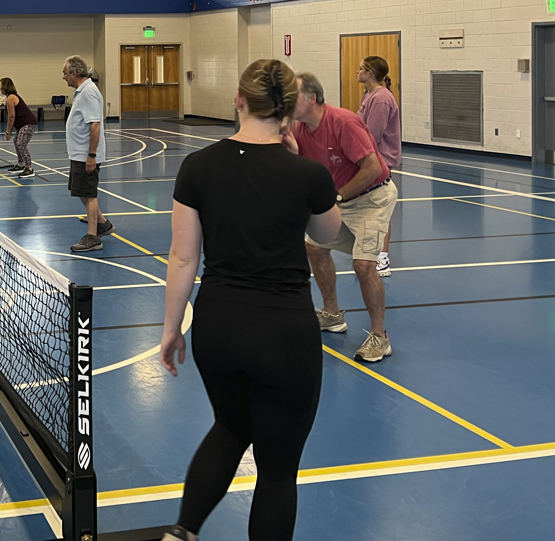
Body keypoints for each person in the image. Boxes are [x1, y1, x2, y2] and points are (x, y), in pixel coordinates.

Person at [159, 60, 341, 541]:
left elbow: (182, 259)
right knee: (278, 470)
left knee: (231, 427)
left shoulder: (197, 167)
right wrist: (301, 164)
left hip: (218, 329)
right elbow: (327, 233)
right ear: (287, 111)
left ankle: (182, 532)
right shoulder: (308, 174)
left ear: (239, 100)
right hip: (284, 337)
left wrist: (171, 328)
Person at [282, 72, 398, 363]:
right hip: (342, 199)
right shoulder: (299, 130)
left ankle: (380, 337)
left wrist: (334, 199)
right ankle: (332, 315)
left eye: (292, 96)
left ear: (311, 98)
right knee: (315, 246)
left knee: (363, 264)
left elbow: (371, 168)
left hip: (372, 197)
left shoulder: (343, 122)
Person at [356, 56, 401, 277]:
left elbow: (372, 134)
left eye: (361, 68)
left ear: (371, 73)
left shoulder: (382, 98)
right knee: (366, 208)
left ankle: (382, 258)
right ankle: (370, 252)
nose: (358, 71)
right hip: (369, 160)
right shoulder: (370, 95)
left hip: (378, 161)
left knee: (380, 210)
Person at [63, 55, 112, 252]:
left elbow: (95, 125)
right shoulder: (81, 91)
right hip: (78, 153)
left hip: (86, 154)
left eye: (65, 73)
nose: (64, 77)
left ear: (74, 73)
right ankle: (102, 223)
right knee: (81, 190)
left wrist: (91, 156)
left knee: (89, 194)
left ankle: (93, 237)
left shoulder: (89, 92)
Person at [0, 77, 38, 178]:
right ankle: (20, 164)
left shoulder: (11, 98)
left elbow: (11, 117)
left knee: (21, 143)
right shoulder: (10, 97)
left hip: (28, 123)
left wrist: (8, 131)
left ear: (5, 86)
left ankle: (29, 168)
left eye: (1, 85)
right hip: (22, 125)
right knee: (16, 141)